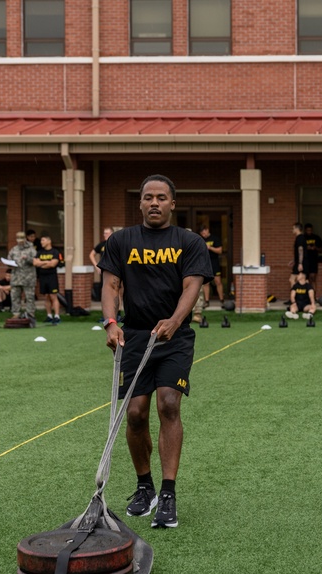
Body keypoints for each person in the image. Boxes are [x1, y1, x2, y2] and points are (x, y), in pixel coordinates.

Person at [98, 174, 212, 530]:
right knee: (134, 413)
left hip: (174, 339)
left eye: (162, 197)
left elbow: (191, 287)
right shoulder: (121, 241)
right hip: (133, 337)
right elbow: (110, 285)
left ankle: (168, 493)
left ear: (172, 203)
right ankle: (144, 486)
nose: (154, 203)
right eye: (148, 197)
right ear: (141, 202)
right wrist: (110, 323)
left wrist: (175, 322)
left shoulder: (189, 242)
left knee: (168, 404)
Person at [8, 231, 37, 321]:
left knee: (29, 297)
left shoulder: (31, 249)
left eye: (21, 239)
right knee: (15, 297)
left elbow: (36, 261)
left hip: (28, 277)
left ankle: (30, 314)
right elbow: (9, 260)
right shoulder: (14, 249)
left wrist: (27, 258)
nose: (20, 241)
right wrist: (10, 264)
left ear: (25, 239)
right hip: (16, 277)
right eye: (18, 239)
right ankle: (16, 313)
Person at [34, 234, 63, 324]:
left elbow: (53, 264)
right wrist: (47, 262)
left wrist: (41, 263)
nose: (41, 242)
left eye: (43, 240)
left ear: (48, 241)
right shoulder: (39, 252)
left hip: (52, 277)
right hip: (42, 277)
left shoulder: (55, 252)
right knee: (46, 296)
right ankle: (49, 316)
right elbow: (35, 263)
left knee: (53, 296)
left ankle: (57, 316)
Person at [198, 225, 224, 305]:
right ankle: (207, 301)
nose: (203, 234)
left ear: (207, 230)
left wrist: (210, 248)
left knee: (218, 281)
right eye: (202, 233)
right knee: (206, 283)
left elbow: (220, 251)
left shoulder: (215, 238)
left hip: (214, 262)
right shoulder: (200, 240)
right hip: (204, 263)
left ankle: (222, 300)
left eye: (204, 232)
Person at [89, 226, 113, 294]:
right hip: (105, 270)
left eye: (107, 233)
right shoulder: (101, 245)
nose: (105, 235)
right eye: (104, 233)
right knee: (105, 288)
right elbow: (91, 255)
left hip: (115, 269)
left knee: (117, 289)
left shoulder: (116, 243)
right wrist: (96, 266)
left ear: (112, 233)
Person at [302, 223, 322, 287]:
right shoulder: (302, 238)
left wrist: (315, 248)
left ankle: (313, 295)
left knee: (313, 278)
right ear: (305, 230)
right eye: (308, 230)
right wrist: (306, 248)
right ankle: (306, 295)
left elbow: (321, 250)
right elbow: (298, 250)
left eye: (310, 230)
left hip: (313, 260)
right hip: (305, 260)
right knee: (304, 278)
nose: (309, 232)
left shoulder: (316, 238)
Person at [288, 222, 306, 290]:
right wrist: (294, 260)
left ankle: (294, 298)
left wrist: (300, 263)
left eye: (293, 228)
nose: (292, 230)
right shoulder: (300, 238)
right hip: (299, 262)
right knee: (302, 280)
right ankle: (297, 298)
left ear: (297, 229)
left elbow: (301, 250)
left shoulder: (300, 238)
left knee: (292, 279)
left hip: (301, 263)